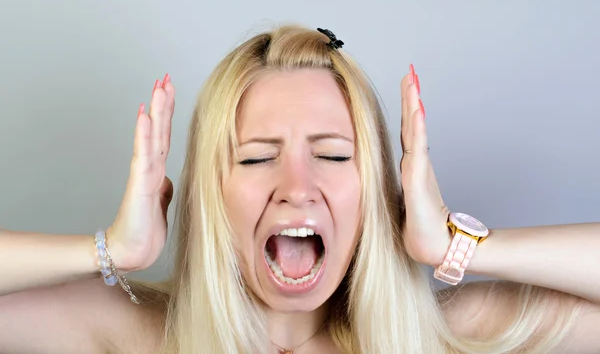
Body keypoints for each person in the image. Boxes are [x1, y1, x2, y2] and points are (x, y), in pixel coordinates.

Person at [0, 24, 598, 354]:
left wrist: (454, 246)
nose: (297, 187)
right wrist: (111, 250)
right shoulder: (137, 335)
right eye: (259, 157)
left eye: (334, 154)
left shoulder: (441, 337)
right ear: (215, 194)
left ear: (377, 189)